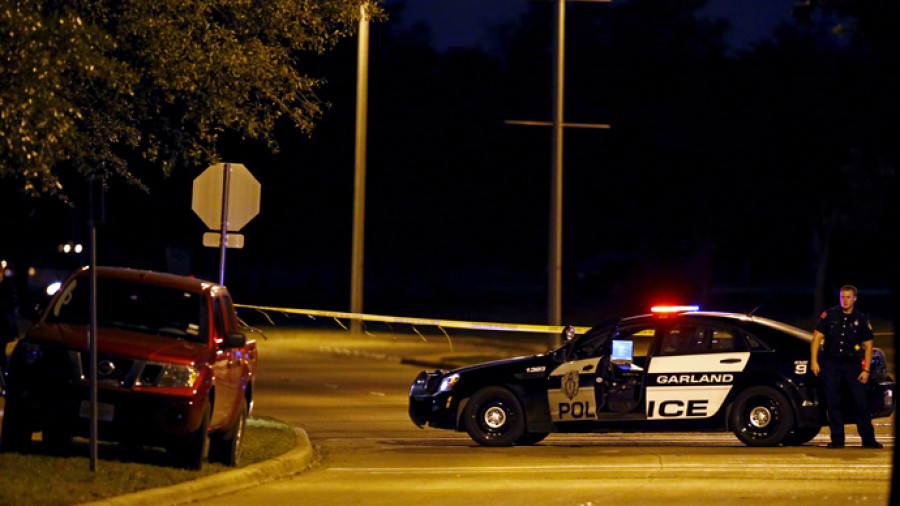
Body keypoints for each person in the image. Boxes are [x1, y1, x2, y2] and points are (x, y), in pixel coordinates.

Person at [810, 284, 882, 449]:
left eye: (848, 297)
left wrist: (866, 370)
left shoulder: (861, 318)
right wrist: (814, 361)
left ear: (855, 298)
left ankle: (868, 440)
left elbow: (869, 345)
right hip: (831, 364)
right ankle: (837, 440)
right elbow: (816, 338)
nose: (845, 300)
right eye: (843, 297)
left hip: (852, 365)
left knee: (860, 402)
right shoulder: (829, 314)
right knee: (833, 402)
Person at [0, 267, 18, 378]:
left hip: (3, 326)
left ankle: (5, 376)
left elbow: (12, 302)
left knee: (2, 354)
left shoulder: (7, 286)